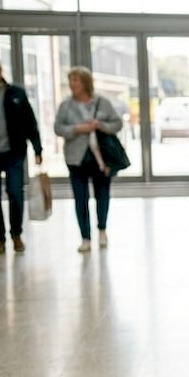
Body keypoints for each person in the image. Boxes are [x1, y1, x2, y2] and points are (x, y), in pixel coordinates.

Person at [55, 66, 122, 253]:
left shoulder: (102, 103)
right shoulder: (66, 105)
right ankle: (85, 237)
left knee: (103, 195)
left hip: (101, 158)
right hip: (76, 159)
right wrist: (78, 129)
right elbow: (58, 128)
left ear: (85, 82)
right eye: (70, 80)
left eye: (75, 80)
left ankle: (102, 229)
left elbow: (117, 123)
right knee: (80, 198)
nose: (71, 84)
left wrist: (100, 125)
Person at [0, 56, 42, 257]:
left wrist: (37, 148)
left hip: (13, 154)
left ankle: (16, 235)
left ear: (1, 71)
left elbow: (30, 121)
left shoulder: (15, 93)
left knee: (15, 194)